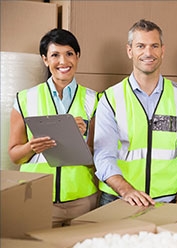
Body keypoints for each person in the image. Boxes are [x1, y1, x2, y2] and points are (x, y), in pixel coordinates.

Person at [93, 19, 177, 207]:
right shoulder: (110, 99)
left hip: (168, 201)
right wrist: (127, 190)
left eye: (154, 46)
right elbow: (103, 156)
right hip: (118, 199)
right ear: (130, 51)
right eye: (140, 46)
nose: (148, 53)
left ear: (163, 50)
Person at [8, 28, 100, 227]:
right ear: (45, 59)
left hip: (82, 200)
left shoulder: (95, 100)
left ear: (78, 56)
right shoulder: (24, 99)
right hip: (38, 198)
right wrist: (33, 146)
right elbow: (15, 155)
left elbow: (98, 156)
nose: (63, 62)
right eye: (55, 55)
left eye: (69, 54)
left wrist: (79, 138)